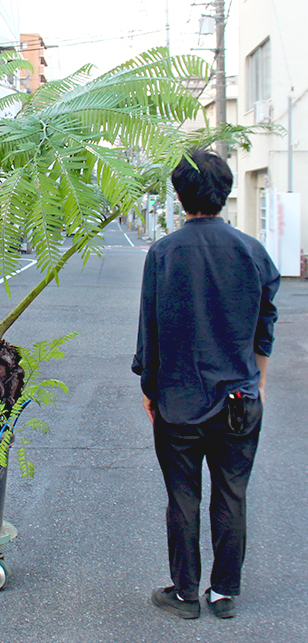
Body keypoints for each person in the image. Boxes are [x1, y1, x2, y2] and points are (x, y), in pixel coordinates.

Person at [132, 149, 280, 620]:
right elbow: (265, 326)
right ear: (227, 192)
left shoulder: (164, 253)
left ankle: (186, 593)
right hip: (239, 397)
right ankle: (224, 593)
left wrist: (150, 389)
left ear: (179, 195)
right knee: (232, 494)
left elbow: (150, 330)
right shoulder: (253, 252)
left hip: (178, 399)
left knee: (183, 497)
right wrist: (258, 382)